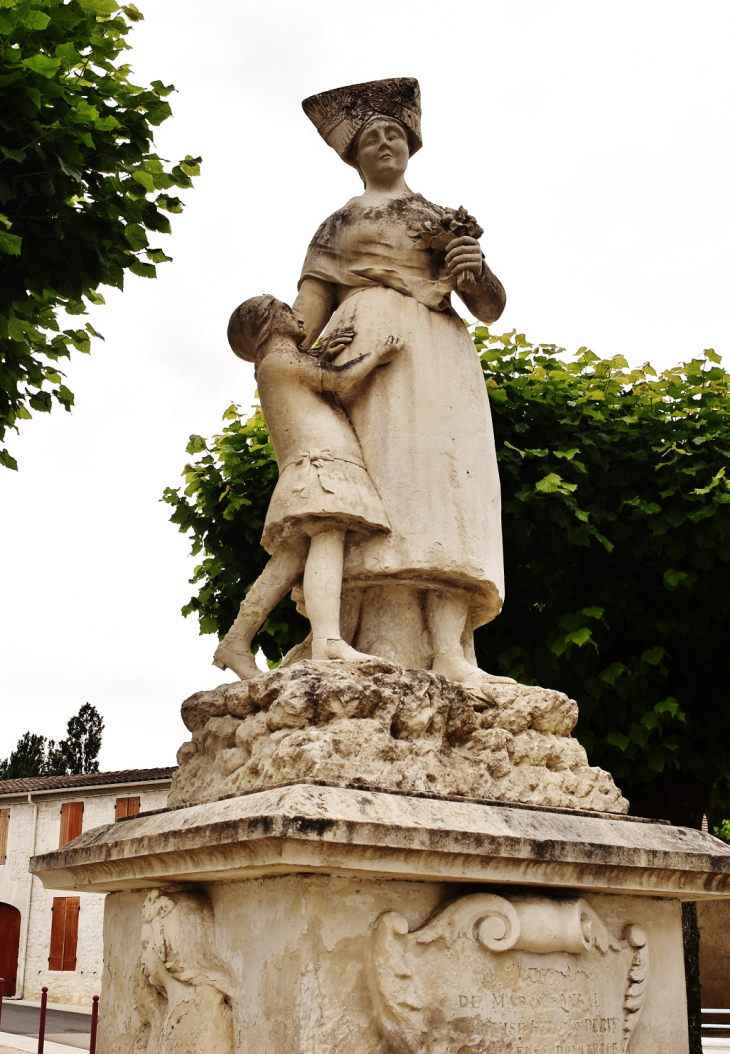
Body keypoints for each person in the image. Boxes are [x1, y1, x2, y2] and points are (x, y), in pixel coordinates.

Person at [294, 78, 511, 686]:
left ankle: (450, 650)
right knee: (387, 497)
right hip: (370, 364)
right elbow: (304, 317)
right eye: (372, 136)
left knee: (447, 494)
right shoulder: (337, 226)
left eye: (395, 133)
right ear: (354, 153)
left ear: (411, 144)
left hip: (441, 359)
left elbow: (489, 306)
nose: (385, 142)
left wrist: (476, 273)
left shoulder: (440, 219)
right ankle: (365, 637)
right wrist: (274, 355)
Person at [213, 294, 402, 679]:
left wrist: (318, 353)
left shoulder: (277, 363)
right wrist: (378, 355)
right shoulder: (282, 358)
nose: (296, 314)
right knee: (328, 536)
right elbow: (340, 380)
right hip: (324, 467)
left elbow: (316, 374)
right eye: (285, 310)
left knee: (287, 562)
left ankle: (236, 640)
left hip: (311, 468)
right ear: (268, 324)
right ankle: (328, 641)